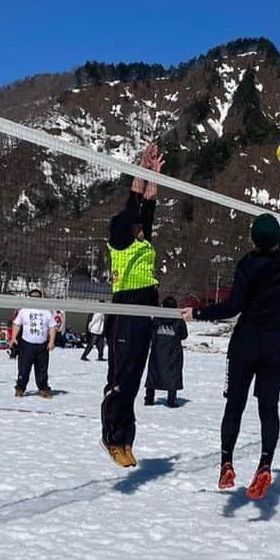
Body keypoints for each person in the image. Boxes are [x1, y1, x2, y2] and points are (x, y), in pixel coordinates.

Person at [181, 154, 280, 498]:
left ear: (253, 239)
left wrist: (196, 314)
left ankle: (227, 464)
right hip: (273, 343)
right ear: (277, 240)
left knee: (234, 406)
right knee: (268, 408)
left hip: (245, 342)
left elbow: (231, 307)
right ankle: (265, 464)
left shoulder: (247, 264)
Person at [101, 143, 164, 466]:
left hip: (144, 310)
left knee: (135, 381)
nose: (140, 224)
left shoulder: (143, 239)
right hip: (125, 308)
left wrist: (154, 175)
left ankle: (126, 440)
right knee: (120, 381)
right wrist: (140, 167)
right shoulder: (121, 241)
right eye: (135, 223)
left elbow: (148, 204)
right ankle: (112, 437)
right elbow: (134, 202)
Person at [10, 289, 57, 399]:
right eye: (33, 296)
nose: (35, 298)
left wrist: (51, 342)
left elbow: (52, 327)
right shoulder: (24, 310)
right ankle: (20, 388)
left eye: (37, 296)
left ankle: (43, 389)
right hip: (27, 344)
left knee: (42, 369)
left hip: (42, 345)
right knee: (24, 368)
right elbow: (16, 324)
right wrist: (13, 338)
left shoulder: (46, 311)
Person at [144, 296, 187, 407]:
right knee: (173, 374)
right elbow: (184, 335)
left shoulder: (157, 318)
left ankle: (149, 398)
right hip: (173, 352)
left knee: (153, 373)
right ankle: (171, 400)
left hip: (157, 351)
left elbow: (149, 332)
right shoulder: (179, 319)